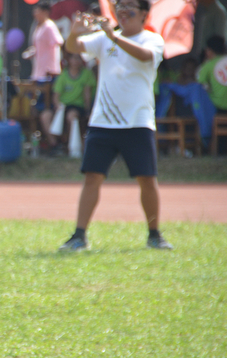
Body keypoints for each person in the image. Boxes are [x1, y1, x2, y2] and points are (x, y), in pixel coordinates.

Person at [59, 0, 173, 251]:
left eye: (131, 5)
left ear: (144, 13)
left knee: (147, 179)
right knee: (92, 178)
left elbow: (144, 56)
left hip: (138, 123)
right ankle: (79, 236)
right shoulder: (104, 39)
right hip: (103, 123)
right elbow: (72, 46)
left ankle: (154, 235)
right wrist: (75, 31)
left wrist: (113, 37)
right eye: (120, 5)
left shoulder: (152, 40)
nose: (123, 10)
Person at [23, 0, 64, 152]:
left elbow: (59, 43)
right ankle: (44, 141)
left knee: (46, 109)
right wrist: (33, 52)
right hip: (38, 74)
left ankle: (55, 143)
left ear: (45, 12)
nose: (35, 13)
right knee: (34, 108)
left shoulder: (49, 26)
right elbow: (40, 47)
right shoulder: (38, 27)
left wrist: (54, 67)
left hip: (49, 75)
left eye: (37, 10)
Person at [50, 52, 96, 151]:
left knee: (71, 116)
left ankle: (71, 146)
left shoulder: (87, 74)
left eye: (78, 59)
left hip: (78, 107)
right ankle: (55, 146)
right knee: (45, 116)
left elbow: (87, 94)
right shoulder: (63, 75)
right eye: (73, 58)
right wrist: (58, 106)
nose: (75, 61)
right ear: (69, 60)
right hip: (62, 108)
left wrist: (88, 111)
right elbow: (56, 96)